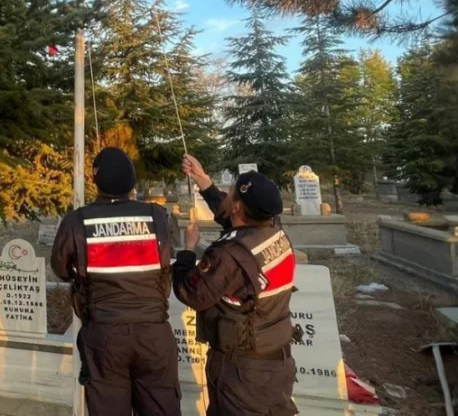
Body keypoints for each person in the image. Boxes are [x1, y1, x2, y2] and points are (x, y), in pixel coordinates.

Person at [50, 147, 181, 416]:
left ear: (95, 180)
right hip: (154, 334)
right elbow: (165, 262)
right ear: (131, 181)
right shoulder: (156, 217)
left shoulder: (77, 221)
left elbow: (61, 269)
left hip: (104, 335)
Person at [175, 154, 298, 416]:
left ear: (238, 208)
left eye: (230, 195)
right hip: (277, 360)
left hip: (241, 371)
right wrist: (204, 181)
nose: (227, 197)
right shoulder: (275, 232)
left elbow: (191, 293)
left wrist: (186, 252)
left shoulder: (229, 255)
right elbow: (234, 219)